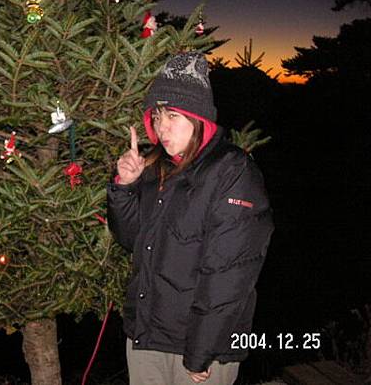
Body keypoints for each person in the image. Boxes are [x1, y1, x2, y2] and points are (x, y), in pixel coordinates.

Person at [107, 52, 274, 385]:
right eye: (156, 115)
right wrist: (124, 189)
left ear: (199, 117)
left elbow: (229, 274)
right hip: (147, 337)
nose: (161, 126)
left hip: (198, 349)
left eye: (172, 115)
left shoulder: (232, 171)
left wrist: (201, 351)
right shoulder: (158, 168)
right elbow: (133, 240)